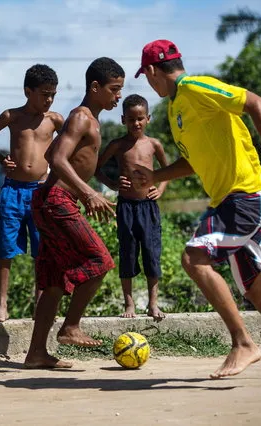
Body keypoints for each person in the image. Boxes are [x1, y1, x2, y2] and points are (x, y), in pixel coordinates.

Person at [132, 39, 261, 380]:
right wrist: (156, 175)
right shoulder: (175, 108)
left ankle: (243, 343)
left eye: (147, 76)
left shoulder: (195, 87)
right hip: (231, 200)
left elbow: (257, 103)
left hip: (243, 195)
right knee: (256, 287)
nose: (148, 83)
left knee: (193, 257)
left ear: (152, 71)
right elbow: (193, 161)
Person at [24, 58, 123, 369]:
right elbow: (59, 161)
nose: (117, 96)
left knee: (53, 282)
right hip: (56, 200)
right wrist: (88, 192)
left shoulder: (91, 119)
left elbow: (52, 152)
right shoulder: (81, 117)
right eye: (114, 90)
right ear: (95, 87)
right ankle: (71, 326)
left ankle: (36, 353)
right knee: (100, 261)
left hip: (51, 200)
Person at [0, 64, 64, 322]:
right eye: (44, 94)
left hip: (41, 191)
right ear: (28, 91)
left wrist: (59, 177)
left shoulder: (55, 120)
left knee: (43, 251)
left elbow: (72, 147)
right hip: (13, 190)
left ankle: (40, 303)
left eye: (53, 94)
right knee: (6, 249)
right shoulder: (11, 116)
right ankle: (2, 305)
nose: (49, 99)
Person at [96, 94, 169, 320]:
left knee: (151, 252)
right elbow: (95, 168)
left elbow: (167, 171)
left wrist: (161, 188)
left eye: (140, 118)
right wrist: (113, 183)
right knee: (127, 253)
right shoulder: (117, 145)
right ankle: (129, 305)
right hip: (126, 206)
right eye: (130, 119)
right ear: (123, 120)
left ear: (148, 118)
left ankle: (153, 304)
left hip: (148, 207)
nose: (135, 123)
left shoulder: (154, 144)